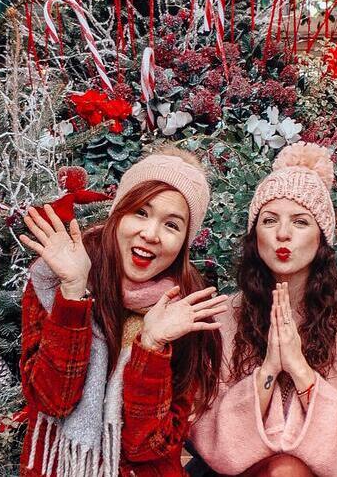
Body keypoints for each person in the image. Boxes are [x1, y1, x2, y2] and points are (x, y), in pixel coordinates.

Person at [16, 145, 228, 477]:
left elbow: (144, 446)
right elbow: (52, 401)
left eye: (172, 225)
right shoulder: (55, 278)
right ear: (118, 213)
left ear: (185, 241)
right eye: (141, 212)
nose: (151, 234)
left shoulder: (186, 310)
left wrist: (152, 347)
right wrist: (72, 296)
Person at [191, 142, 337, 477]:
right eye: (270, 220)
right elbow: (209, 429)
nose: (282, 234)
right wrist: (269, 369)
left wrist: (300, 370)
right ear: (254, 235)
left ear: (321, 239)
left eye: (300, 222)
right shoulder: (224, 317)